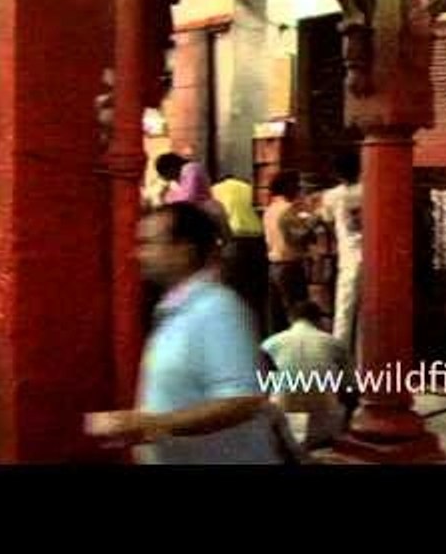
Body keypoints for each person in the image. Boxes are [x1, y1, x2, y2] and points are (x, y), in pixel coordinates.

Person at [85, 203, 281, 464]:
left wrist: (153, 424)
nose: (138, 254)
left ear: (183, 251)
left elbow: (240, 401)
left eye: (149, 243)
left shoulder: (217, 308)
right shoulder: (175, 311)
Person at [262, 301, 356, 449]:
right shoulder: (335, 343)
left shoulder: (270, 343)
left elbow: (258, 386)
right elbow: (351, 386)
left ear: (290, 319)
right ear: (319, 320)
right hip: (325, 423)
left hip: (282, 419)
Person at [319, 150, 364, 357]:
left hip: (349, 258)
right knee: (367, 315)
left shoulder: (332, 196)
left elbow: (325, 219)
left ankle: (340, 365)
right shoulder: (370, 190)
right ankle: (366, 361)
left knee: (344, 314)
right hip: (374, 258)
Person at [263, 170, 313, 338]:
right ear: (288, 187)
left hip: (274, 266)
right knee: (297, 315)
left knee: (276, 319)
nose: (299, 190)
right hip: (290, 266)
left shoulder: (270, 210)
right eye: (297, 186)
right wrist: (313, 220)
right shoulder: (287, 210)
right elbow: (298, 235)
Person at [213, 173, 267, 325]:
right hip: (257, 242)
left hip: (233, 241)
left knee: (235, 291)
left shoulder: (215, 190)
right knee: (256, 292)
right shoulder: (250, 188)